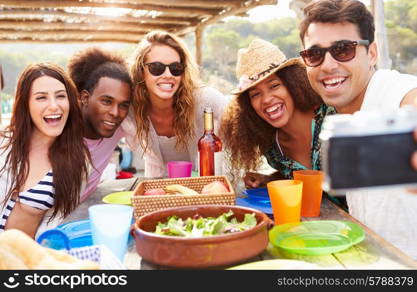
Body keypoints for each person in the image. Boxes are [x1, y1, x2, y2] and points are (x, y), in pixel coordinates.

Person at [299, 0, 417, 259]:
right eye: (315, 54)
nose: (328, 65)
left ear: (372, 53)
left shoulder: (393, 91)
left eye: (343, 50)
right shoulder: (341, 118)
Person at [220, 38, 335, 189]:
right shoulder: (272, 147)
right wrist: (268, 179)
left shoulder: (332, 119)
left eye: (274, 86)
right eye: (255, 94)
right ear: (248, 106)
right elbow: (296, 177)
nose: (266, 99)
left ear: (293, 84)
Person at [0, 63, 89, 238]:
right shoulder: (4, 144)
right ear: (26, 104)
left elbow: (55, 225)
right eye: (41, 98)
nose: (54, 105)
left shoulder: (76, 159)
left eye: (61, 96)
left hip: (24, 258)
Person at [129, 30, 229, 177]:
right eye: (156, 68)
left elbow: (240, 121)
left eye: (176, 68)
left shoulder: (205, 98)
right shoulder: (130, 107)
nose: (168, 75)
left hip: (204, 188)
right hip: (158, 187)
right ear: (140, 70)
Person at [67, 47, 136, 202]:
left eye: (124, 105)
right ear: (84, 97)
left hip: (82, 213)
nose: (115, 113)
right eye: (106, 101)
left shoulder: (117, 126)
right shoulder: (59, 129)